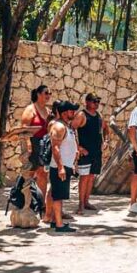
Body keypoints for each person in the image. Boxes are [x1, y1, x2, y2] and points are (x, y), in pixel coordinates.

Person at [19, 84, 53, 217]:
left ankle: (42, 204)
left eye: (50, 93)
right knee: (30, 174)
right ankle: (27, 204)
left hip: (44, 146)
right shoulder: (30, 109)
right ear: (38, 94)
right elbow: (24, 129)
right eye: (46, 93)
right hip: (33, 145)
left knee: (43, 174)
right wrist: (28, 145)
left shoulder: (48, 111)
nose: (48, 95)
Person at [47, 100, 80, 233]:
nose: (74, 113)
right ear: (64, 112)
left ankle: (56, 221)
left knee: (60, 195)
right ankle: (59, 225)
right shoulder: (59, 126)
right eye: (71, 110)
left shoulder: (66, 126)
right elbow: (55, 148)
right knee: (58, 196)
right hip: (59, 167)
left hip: (66, 165)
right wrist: (60, 167)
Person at [73, 93, 108, 215]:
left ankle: (87, 201)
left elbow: (106, 128)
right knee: (84, 177)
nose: (96, 103)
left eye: (98, 101)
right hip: (85, 152)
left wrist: (106, 141)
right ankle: (81, 204)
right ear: (87, 102)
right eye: (94, 101)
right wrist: (78, 147)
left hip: (96, 152)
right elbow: (71, 130)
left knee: (91, 177)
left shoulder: (99, 116)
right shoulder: (81, 115)